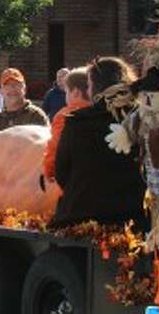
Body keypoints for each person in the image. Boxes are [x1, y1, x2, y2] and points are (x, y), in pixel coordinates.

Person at [52, 57, 148, 230]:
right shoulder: (142, 119)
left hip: (82, 217)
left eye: (88, 85)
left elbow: (61, 171)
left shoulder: (77, 122)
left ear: (95, 87)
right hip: (133, 217)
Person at [42, 67, 90, 188]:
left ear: (75, 92)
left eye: (67, 91)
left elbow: (56, 146)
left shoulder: (64, 116)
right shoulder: (103, 112)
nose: (65, 96)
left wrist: (49, 171)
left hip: (73, 179)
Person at [0, 68, 49, 142]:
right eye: (7, 85)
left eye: (16, 84)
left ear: (24, 89)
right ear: (1, 91)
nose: (12, 88)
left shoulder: (36, 116)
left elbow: (46, 146)